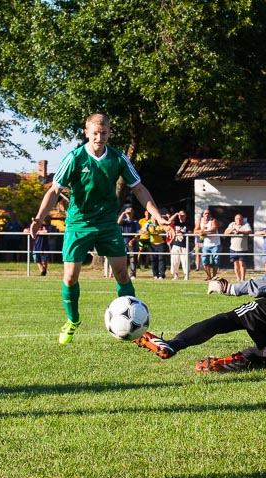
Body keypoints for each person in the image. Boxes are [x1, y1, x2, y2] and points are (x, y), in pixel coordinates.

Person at [136, 200, 266, 372]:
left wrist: (232, 289)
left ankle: (173, 345)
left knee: (230, 319)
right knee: (265, 354)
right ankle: (226, 363)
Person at [28, 113, 173, 344]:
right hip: (79, 223)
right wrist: (38, 218)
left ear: (109, 133)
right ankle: (72, 320)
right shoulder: (74, 158)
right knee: (70, 277)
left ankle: (133, 326)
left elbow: (139, 188)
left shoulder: (118, 158)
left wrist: (158, 218)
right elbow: (54, 190)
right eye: (95, 133)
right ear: (87, 133)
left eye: (103, 133)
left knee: (122, 273)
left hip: (107, 224)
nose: (99, 137)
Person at [225, 213, 252, 281]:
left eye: (240, 219)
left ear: (242, 219)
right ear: (235, 219)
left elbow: (249, 231)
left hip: (243, 248)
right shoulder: (232, 224)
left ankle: (242, 278)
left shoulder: (246, 224)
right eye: (237, 218)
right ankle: (238, 278)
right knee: (236, 264)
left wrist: (240, 232)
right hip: (233, 248)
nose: (239, 220)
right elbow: (225, 232)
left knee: (242, 264)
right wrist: (232, 229)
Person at [195, 208, 220, 280]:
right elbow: (195, 230)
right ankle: (209, 276)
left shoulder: (213, 220)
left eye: (208, 213)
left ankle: (214, 276)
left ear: (210, 215)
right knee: (205, 261)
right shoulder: (200, 220)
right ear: (203, 214)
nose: (207, 215)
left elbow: (214, 230)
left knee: (215, 261)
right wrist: (200, 231)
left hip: (215, 244)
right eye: (205, 213)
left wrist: (203, 232)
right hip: (205, 244)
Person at [117, 205, 140, 278]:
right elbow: (118, 223)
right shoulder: (123, 221)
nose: (129, 214)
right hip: (123, 241)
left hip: (132, 242)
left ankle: (132, 274)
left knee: (132, 258)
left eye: (130, 212)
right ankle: (124, 273)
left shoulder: (135, 221)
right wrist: (123, 213)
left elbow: (138, 232)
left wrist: (133, 240)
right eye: (128, 213)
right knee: (123, 258)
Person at [168, 210, 191, 280]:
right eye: (180, 215)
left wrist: (182, 232)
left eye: (183, 215)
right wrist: (176, 214)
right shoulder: (176, 223)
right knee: (174, 260)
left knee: (185, 261)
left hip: (184, 245)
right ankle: (176, 275)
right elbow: (169, 221)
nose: (181, 216)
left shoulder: (188, 224)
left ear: (185, 216)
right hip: (176, 244)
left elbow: (190, 232)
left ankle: (186, 275)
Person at [146, 213, 169, 279]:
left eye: (156, 219)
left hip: (161, 244)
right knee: (153, 260)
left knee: (161, 259)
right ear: (151, 219)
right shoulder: (148, 224)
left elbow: (163, 230)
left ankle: (161, 275)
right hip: (152, 244)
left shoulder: (161, 224)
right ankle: (155, 275)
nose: (154, 221)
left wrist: (156, 229)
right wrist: (147, 230)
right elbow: (142, 231)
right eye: (153, 219)